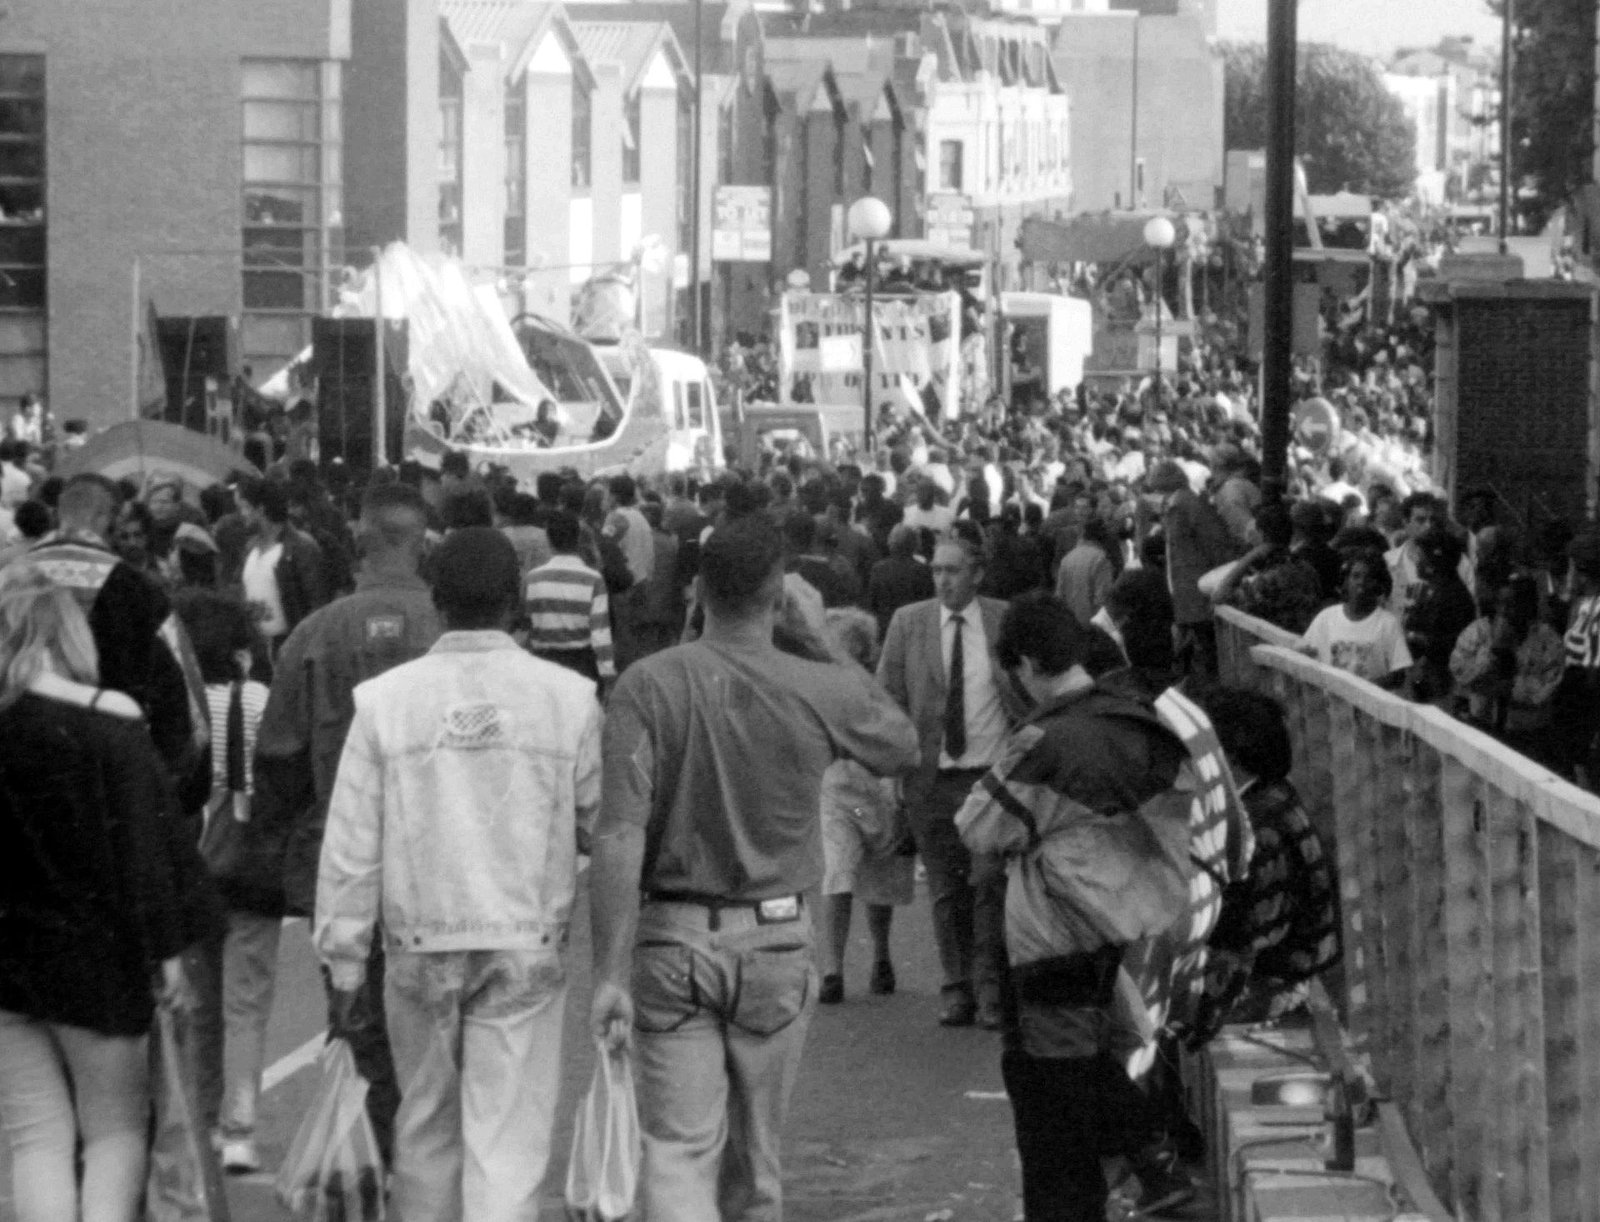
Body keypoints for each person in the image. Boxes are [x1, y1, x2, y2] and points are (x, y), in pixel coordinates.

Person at [588, 516, 918, 1222]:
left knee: (678, 1151)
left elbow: (618, 834)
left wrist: (609, 973)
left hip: (671, 939)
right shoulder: (815, 683)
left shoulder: (648, 686)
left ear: (699, 591)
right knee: (757, 1167)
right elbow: (898, 741)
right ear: (779, 597)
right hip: (775, 938)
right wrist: (820, 635)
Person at [316, 527, 601, 1222]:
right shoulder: (570, 699)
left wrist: (344, 963)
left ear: (436, 602)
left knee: (424, 1130)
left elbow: (352, 844)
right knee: (507, 1142)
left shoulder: (385, 701)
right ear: (516, 604)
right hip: (524, 940)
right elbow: (598, 822)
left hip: (418, 944)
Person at [955, 593, 1194, 1222]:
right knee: (1087, 1071)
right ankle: (1147, 1153)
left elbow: (978, 827)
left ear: (1029, 663)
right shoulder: (1149, 722)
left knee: (1053, 1111)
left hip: (1050, 936)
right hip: (1127, 925)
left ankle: (1151, 1149)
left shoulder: (1045, 742)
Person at [0, 564, 215, 1222]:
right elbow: (146, 853)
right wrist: (170, 949)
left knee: (34, 1139)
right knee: (114, 1136)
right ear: (70, 635)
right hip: (97, 964)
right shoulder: (110, 721)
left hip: (6, 962)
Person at [253, 482, 442, 1166]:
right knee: (444, 1040)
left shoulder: (315, 634)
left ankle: (377, 1169)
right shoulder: (453, 635)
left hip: (344, 862)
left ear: (359, 542)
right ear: (424, 544)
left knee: (360, 1031)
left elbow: (276, 759)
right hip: (442, 868)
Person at [878, 535, 1028, 1029]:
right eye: (937, 571)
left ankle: (990, 989)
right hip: (932, 777)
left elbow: (1026, 690)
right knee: (946, 889)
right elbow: (889, 699)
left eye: (953, 571)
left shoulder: (1004, 620)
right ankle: (956, 986)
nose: (942, 580)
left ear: (977, 574)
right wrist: (895, 771)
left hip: (990, 778)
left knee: (989, 883)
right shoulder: (909, 623)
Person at [174, 590, 278, 1172]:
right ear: (241, 648)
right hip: (250, 867)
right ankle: (238, 1131)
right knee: (246, 1003)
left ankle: (203, 1115)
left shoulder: (177, 704)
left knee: (202, 1003)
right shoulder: (259, 699)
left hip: (192, 867)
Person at [29, 473, 201, 779]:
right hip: (111, 777)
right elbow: (184, 697)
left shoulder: (11, 578)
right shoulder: (139, 591)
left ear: (58, 514)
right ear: (108, 520)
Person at [817, 608, 917, 1004]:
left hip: (880, 788)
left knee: (880, 878)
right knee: (837, 874)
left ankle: (881, 957)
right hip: (838, 788)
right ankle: (832, 970)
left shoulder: (883, 693)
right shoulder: (819, 689)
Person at [1450, 573, 1565, 760]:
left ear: (1528, 606)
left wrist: (1511, 688)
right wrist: (1493, 653)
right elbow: (1459, 670)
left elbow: (1547, 688)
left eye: (1511, 605)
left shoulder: (1548, 640)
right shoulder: (1478, 631)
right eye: (1500, 603)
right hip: (1482, 724)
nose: (1503, 611)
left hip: (1526, 734)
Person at [236, 475, 327, 662]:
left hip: (289, 648)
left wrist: (303, 649)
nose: (241, 514)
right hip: (256, 649)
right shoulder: (250, 548)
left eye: (244, 507)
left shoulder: (300, 547)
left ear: (260, 510)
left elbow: (316, 603)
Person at [523, 508, 616, 688]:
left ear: (549, 539)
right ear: (577, 539)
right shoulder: (593, 579)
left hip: (543, 661)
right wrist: (607, 670)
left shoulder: (532, 579)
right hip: (581, 663)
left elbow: (527, 624)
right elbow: (600, 631)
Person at [1299, 550, 1413, 688]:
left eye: (1369, 578)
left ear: (1378, 584)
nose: (1361, 582)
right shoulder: (1326, 617)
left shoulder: (1388, 623)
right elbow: (1305, 653)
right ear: (1346, 581)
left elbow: (1398, 675)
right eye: (1356, 576)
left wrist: (1363, 689)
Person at [1054, 514, 1117, 628]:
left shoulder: (1067, 558)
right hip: (1091, 627)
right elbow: (1102, 598)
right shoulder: (1101, 559)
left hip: (1070, 625)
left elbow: (1059, 596)